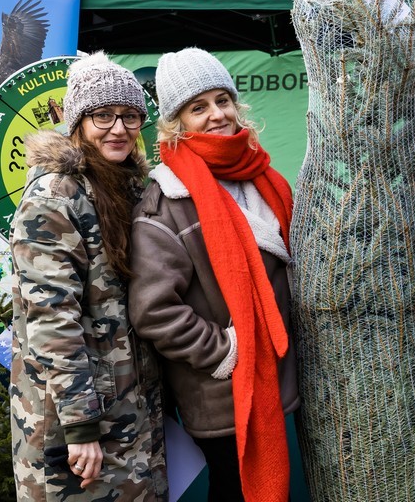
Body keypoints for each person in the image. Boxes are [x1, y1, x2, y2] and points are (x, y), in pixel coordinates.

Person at [128, 47, 299, 502]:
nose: (217, 115)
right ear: (176, 123)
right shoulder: (167, 201)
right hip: (223, 389)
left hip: (277, 376)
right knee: (235, 492)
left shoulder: (264, 177)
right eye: (198, 107)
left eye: (222, 100)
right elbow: (154, 311)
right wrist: (227, 351)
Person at [9, 52, 167, 502]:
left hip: (131, 406)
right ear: (78, 121)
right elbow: (52, 317)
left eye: (130, 116)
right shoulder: (54, 197)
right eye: (103, 115)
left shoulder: (127, 186)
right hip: (75, 418)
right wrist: (80, 426)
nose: (119, 128)